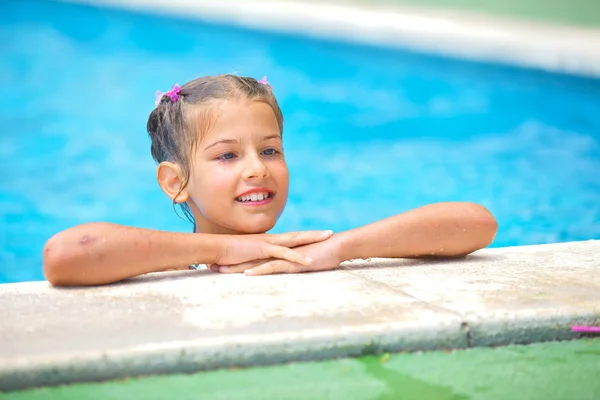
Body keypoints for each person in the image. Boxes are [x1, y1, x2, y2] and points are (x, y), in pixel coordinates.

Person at [42, 75, 498, 286]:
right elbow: (63, 255)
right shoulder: (178, 265)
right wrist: (222, 249)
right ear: (175, 182)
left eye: (270, 150)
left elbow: (477, 222)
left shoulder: (306, 252)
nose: (257, 168)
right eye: (226, 155)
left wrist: (338, 248)